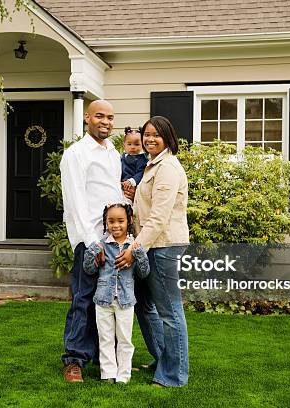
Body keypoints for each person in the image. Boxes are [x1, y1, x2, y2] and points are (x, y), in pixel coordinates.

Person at [115, 116, 190, 387]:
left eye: (156, 135)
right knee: (145, 306)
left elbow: (158, 217)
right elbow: (145, 207)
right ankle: (163, 358)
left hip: (163, 246)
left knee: (169, 311)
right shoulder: (151, 165)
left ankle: (174, 374)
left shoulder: (167, 167)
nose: (149, 139)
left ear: (168, 137)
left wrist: (134, 249)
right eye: (147, 134)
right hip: (150, 245)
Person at [60, 100, 128, 382]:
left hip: (112, 241)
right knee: (83, 299)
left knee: (108, 301)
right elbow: (75, 202)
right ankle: (74, 360)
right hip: (89, 241)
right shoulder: (76, 154)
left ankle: (105, 361)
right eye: (100, 116)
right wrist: (92, 244)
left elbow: (111, 196)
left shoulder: (113, 153)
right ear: (87, 118)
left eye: (110, 117)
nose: (106, 122)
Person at [83, 203, 149, 384]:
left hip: (126, 301)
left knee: (125, 339)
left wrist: (139, 254)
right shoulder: (101, 245)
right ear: (105, 223)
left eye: (121, 221)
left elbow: (144, 273)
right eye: (111, 221)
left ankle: (124, 375)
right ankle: (107, 373)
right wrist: (93, 252)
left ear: (129, 221)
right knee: (105, 338)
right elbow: (89, 270)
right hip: (103, 301)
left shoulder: (133, 246)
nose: (116, 225)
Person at [121, 126, 148, 204]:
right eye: (129, 144)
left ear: (142, 145)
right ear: (124, 145)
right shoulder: (122, 157)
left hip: (132, 186)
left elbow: (141, 172)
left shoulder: (141, 159)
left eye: (136, 144)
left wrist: (132, 181)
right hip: (122, 186)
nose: (133, 147)